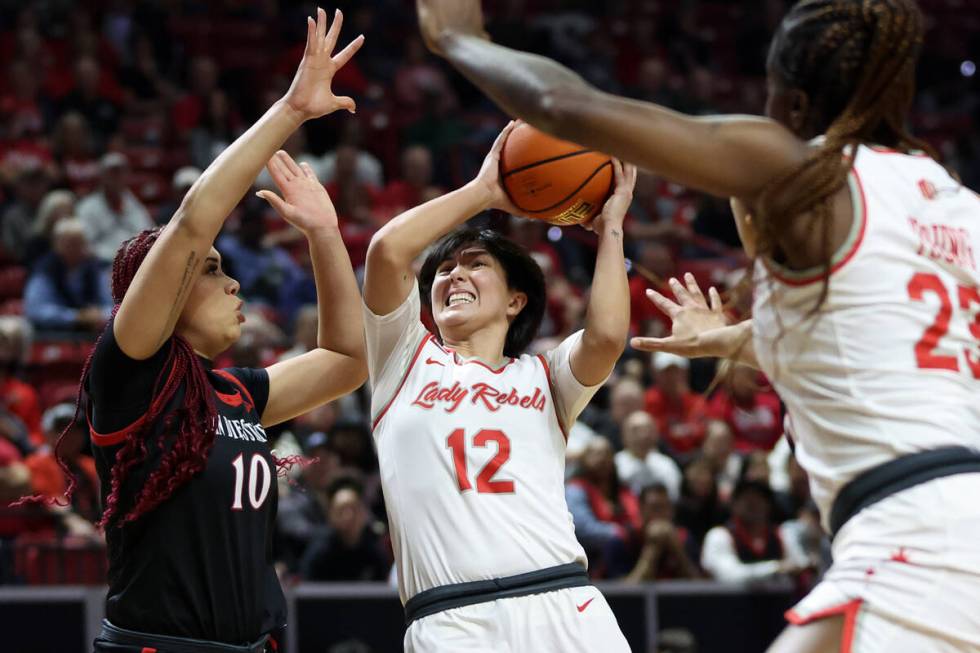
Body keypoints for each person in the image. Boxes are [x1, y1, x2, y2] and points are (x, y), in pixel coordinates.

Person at [416, 1, 980, 650]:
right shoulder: (955, 203)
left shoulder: (801, 172)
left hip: (915, 534)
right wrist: (748, 337)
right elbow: (895, 350)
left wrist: (458, 38)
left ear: (791, 107)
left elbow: (561, 104)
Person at [18, 10, 367, 653]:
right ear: (165, 291)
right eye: (211, 272)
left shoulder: (236, 393)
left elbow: (346, 359)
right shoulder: (128, 376)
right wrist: (291, 108)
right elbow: (190, 222)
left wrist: (323, 234)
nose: (233, 283)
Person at [363, 120, 634, 651]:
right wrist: (485, 191)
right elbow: (386, 251)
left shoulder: (545, 375)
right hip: (452, 617)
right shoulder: (403, 358)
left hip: (564, 601)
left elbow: (605, 336)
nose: (454, 275)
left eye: (475, 264)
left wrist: (611, 229)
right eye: (443, 269)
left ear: (516, 301)